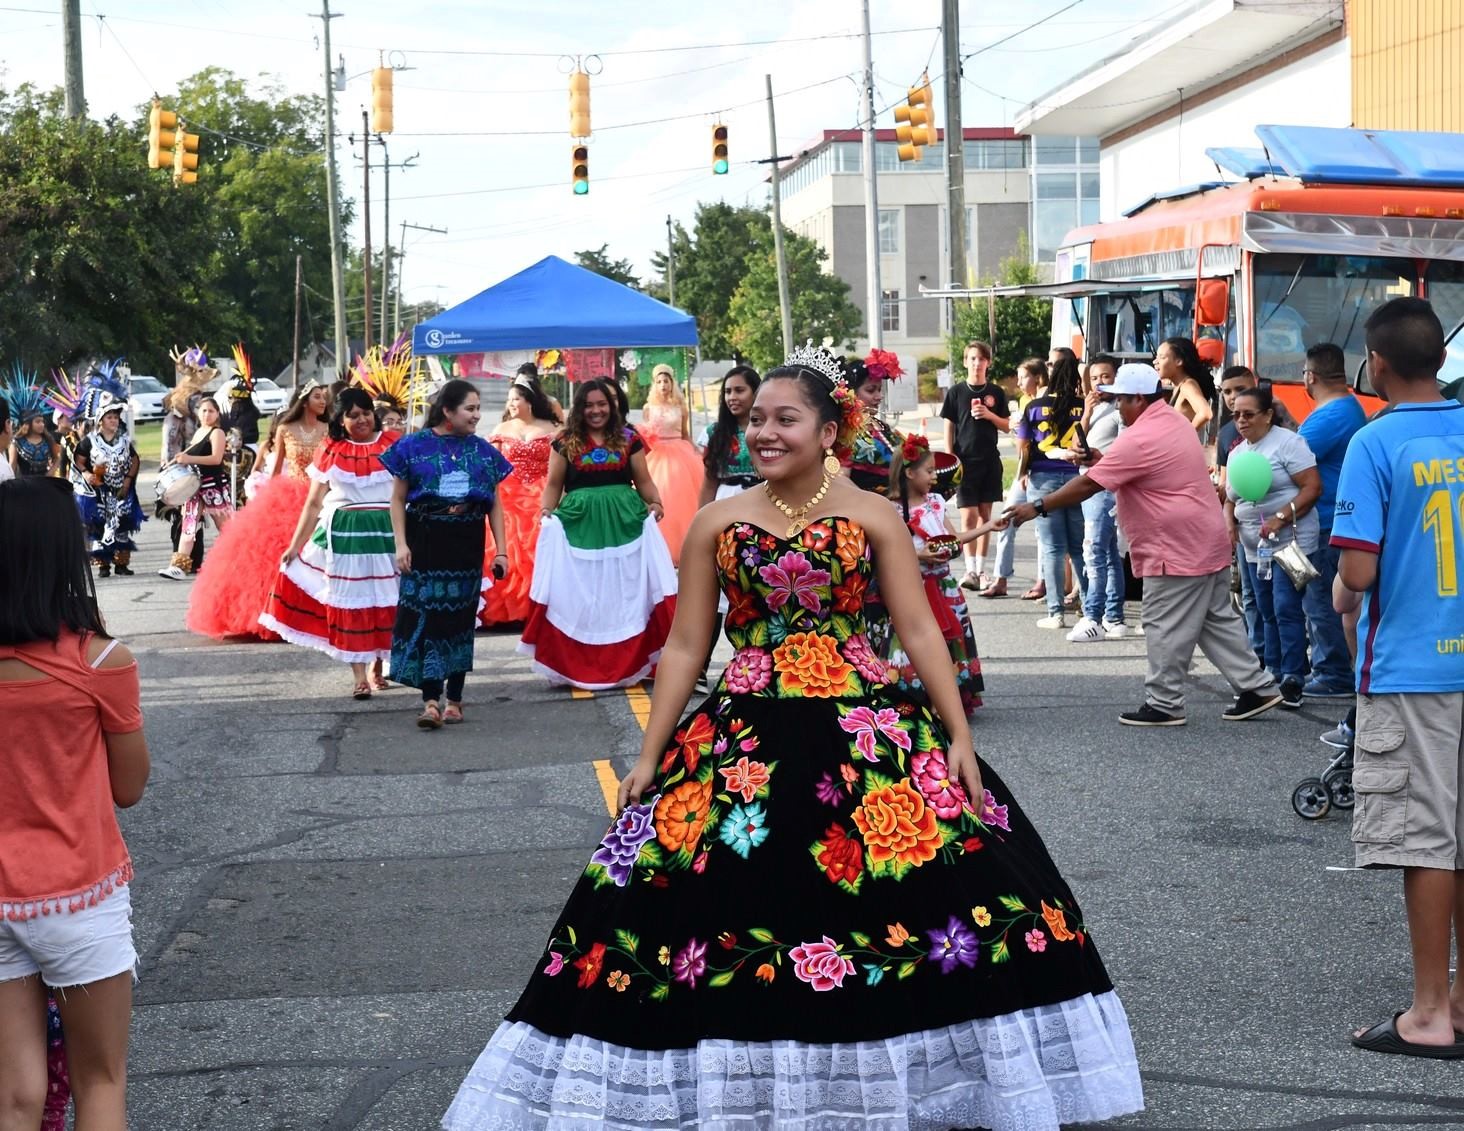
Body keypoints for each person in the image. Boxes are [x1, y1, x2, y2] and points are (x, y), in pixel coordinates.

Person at [443, 348, 1144, 1131]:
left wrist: (956, 734)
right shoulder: (718, 520)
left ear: (829, 427)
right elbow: (685, 648)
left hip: (867, 725)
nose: (763, 433)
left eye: (785, 419)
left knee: (934, 898)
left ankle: (910, 1077)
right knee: (714, 906)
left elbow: (917, 627)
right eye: (754, 420)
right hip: (744, 731)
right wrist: (649, 756)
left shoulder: (874, 514)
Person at [1333, 297, 1464, 1059]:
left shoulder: (1375, 442)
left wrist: (1345, 591)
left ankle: (1429, 1010)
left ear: (1376, 364)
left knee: (1426, 839)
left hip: (1413, 665)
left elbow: (1358, 568)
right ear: (1440, 361)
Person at [1007, 364, 1283, 726]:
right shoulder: (1172, 421)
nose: (1118, 406)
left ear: (1139, 397)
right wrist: (1102, 461)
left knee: (1162, 623)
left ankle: (1165, 703)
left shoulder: (1141, 436)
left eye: (1121, 399)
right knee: (1215, 620)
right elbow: (1138, 471)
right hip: (1204, 538)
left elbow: (1091, 484)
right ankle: (1256, 686)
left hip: (1175, 547)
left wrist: (1037, 505)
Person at [0, 476, 151, 1131]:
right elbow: (130, 786)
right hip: (79, 895)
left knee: (15, 1095)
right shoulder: (102, 660)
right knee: (100, 1080)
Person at [519, 378, 676, 690]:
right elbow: (553, 485)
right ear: (580, 408)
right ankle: (578, 663)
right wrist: (546, 512)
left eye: (601, 404)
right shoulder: (564, 441)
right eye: (589, 405)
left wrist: (655, 502)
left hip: (626, 525)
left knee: (623, 594)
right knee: (584, 594)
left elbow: (643, 480)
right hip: (579, 526)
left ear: (612, 405)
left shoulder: (628, 438)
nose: (596, 410)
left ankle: (631, 661)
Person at [382, 379, 512, 729]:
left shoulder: (482, 451)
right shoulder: (412, 446)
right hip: (424, 538)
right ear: (447, 411)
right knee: (427, 617)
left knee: (458, 619)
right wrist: (400, 544)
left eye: (477, 408)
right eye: (469, 408)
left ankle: (454, 698)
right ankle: (430, 701)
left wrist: (502, 551)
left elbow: (494, 503)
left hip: (465, 540)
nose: (476, 415)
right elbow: (397, 499)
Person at [262, 387, 400, 698]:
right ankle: (358, 675)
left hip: (387, 533)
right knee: (351, 599)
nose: (362, 419)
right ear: (340, 419)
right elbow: (313, 504)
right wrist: (296, 545)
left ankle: (379, 665)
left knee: (386, 598)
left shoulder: (393, 445)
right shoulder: (332, 449)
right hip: (345, 536)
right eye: (353, 416)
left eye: (366, 413)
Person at [184, 381, 330, 639]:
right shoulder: (285, 429)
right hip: (288, 494)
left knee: (315, 556)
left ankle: (313, 617)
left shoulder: (328, 430)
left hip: (318, 496)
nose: (323, 401)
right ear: (305, 400)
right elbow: (275, 470)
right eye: (317, 396)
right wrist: (264, 501)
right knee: (270, 556)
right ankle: (272, 615)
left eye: (324, 397)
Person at [1223, 385, 1321, 708]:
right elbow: (1231, 497)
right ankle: (1272, 671)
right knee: (1263, 608)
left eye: (1248, 414)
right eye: (1236, 414)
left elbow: (1312, 488)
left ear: (1268, 415)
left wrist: (1280, 517)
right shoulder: (1238, 452)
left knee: (1285, 606)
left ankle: (1293, 675)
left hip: (1290, 542)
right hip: (1253, 547)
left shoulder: (1288, 444)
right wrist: (1229, 522)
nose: (1241, 420)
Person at [887, 432, 987, 716]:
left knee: (949, 639)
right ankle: (919, 698)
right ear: (909, 473)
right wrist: (918, 555)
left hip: (945, 586)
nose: (934, 476)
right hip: (913, 587)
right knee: (916, 640)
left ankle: (945, 700)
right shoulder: (891, 509)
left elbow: (953, 540)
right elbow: (887, 552)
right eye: (929, 471)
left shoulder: (936, 503)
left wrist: (989, 526)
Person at [1296, 343, 1367, 699]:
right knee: (1318, 598)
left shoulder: (1332, 415)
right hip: (1324, 520)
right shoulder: (1343, 409)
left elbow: (1290, 458)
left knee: (1320, 600)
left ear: (1310, 377)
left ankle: (1332, 671)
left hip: (1323, 522)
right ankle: (1330, 666)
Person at [480, 372, 560, 627]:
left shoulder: (552, 429)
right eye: (509, 400)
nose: (512, 404)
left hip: (541, 489)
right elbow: (490, 466)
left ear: (529, 401)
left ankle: (541, 606)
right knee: (506, 541)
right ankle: (506, 608)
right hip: (509, 492)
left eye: (516, 399)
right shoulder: (501, 430)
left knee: (540, 542)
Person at [1015, 353, 1087, 629]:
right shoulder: (1083, 407)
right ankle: (1088, 606)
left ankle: (1055, 612)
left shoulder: (1033, 407)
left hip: (1043, 478)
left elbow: (1023, 447)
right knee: (1080, 548)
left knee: (1053, 548)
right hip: (1078, 480)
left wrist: (1022, 473)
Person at [1068, 354, 1131, 641]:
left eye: (1105, 376)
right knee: (1107, 553)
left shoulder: (1122, 410)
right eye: (1094, 378)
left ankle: (1093, 614)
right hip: (1086, 482)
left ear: (1116, 377)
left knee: (1094, 550)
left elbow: (1126, 450)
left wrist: (1100, 458)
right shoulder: (1092, 409)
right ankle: (1114, 616)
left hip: (1106, 485)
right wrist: (1086, 413)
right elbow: (1076, 443)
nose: (1100, 382)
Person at [941, 340, 1009, 591]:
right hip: (964, 462)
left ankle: (981, 570)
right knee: (968, 516)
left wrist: (990, 415)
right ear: (965, 362)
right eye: (972, 358)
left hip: (989, 461)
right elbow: (949, 424)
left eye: (981, 359)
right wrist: (950, 456)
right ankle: (969, 570)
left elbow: (1007, 425)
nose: (977, 363)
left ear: (988, 362)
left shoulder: (996, 392)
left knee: (985, 517)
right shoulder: (956, 392)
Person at [981, 357, 1048, 600]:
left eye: (1023, 377)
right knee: (1006, 519)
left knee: (1043, 527)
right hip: (1023, 470)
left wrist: (1027, 472)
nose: (1018, 382)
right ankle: (1001, 579)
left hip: (1039, 471)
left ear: (1038, 378)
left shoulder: (1046, 402)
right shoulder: (1024, 401)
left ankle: (1042, 581)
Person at [158, 397, 233, 580]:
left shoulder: (217, 433)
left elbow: (216, 459)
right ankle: (179, 566)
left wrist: (189, 459)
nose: (207, 414)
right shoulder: (200, 431)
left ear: (217, 414)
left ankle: (242, 560)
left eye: (211, 411)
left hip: (213, 485)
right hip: (195, 486)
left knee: (227, 528)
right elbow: (191, 454)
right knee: (188, 525)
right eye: (203, 410)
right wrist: (177, 460)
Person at [73, 394, 144, 580]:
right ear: (101, 421)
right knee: (98, 527)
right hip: (99, 491)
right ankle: (103, 566)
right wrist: (87, 474)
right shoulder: (89, 441)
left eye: (116, 417)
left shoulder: (124, 441)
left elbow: (135, 460)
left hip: (120, 489)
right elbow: (78, 461)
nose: (114, 420)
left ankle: (121, 564)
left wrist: (128, 480)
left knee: (121, 527)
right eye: (110, 417)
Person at [640, 363, 705, 564]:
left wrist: (697, 449)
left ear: (672, 382)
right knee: (661, 495)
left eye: (666, 380)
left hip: (679, 453)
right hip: (657, 455)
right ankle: (660, 548)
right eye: (659, 381)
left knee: (683, 498)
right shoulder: (648, 408)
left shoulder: (681, 407)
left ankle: (685, 547)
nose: (663, 385)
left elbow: (685, 434)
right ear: (654, 384)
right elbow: (646, 436)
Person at [841, 349, 904, 496]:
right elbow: (841, 478)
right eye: (871, 390)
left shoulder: (882, 427)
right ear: (852, 394)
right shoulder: (846, 433)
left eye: (880, 390)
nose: (879, 396)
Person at [697, 365, 761, 504]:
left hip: (764, 504)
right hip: (725, 504)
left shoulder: (770, 431)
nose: (732, 397)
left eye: (739, 390)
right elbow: (709, 484)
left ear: (756, 392)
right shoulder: (714, 434)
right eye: (727, 392)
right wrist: (702, 521)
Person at [1155, 336, 1216, 439]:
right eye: (1157, 357)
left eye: (1162, 357)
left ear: (1179, 361)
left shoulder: (1188, 385)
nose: (1156, 362)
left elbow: (1206, 413)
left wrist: (1184, 437)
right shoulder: (1179, 385)